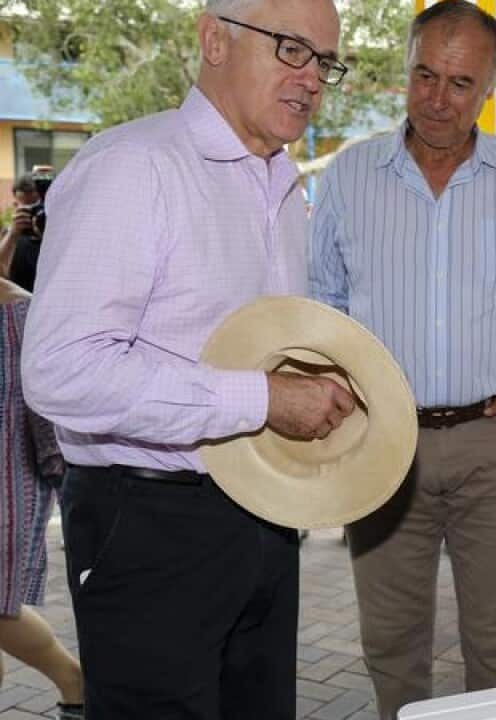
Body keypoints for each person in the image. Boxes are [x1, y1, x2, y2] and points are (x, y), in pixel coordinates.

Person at [20, 0, 354, 716]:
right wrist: (265, 399)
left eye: (325, 61)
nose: (313, 79)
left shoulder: (282, 184)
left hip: (264, 512)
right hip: (148, 521)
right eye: (293, 49)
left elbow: (243, 344)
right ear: (213, 40)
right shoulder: (134, 166)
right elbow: (60, 369)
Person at [308, 2, 496, 716]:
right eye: (424, 75)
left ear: (489, 88)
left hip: (495, 442)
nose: (437, 99)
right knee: (391, 640)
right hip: (381, 442)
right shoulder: (348, 177)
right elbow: (319, 298)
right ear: (405, 71)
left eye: (460, 83)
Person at [0, 277, 83, 720]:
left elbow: (46, 413)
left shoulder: (23, 312)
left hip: (9, 483)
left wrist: (61, 477)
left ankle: (75, 682)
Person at [0, 173, 45, 291]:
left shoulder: (55, 232)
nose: (32, 215)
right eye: (27, 209)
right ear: (16, 205)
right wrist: (13, 234)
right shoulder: (9, 236)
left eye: (37, 209)